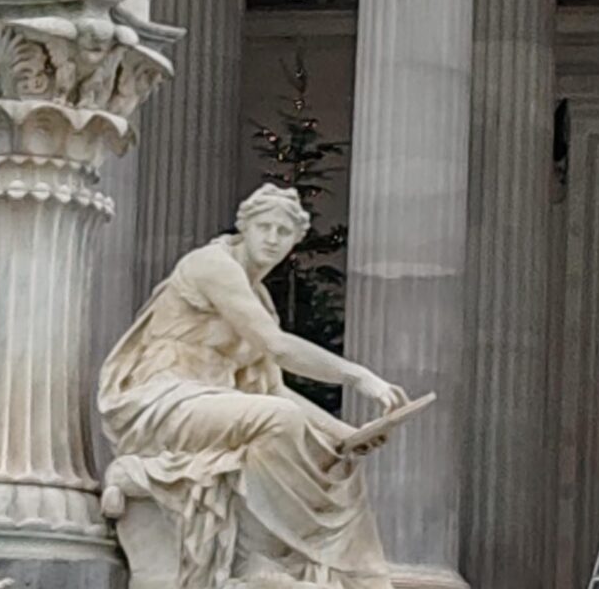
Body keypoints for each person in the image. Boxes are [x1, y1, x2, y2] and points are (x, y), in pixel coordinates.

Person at [99, 184, 408, 589]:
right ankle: (254, 557)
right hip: (162, 400)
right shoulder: (212, 264)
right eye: (264, 227)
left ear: (294, 242)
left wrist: (344, 436)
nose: (272, 239)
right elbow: (278, 349)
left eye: (284, 232)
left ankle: (356, 575)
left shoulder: (258, 298)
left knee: (334, 459)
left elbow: (272, 390)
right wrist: (358, 376)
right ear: (244, 227)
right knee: (280, 423)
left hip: (213, 404)